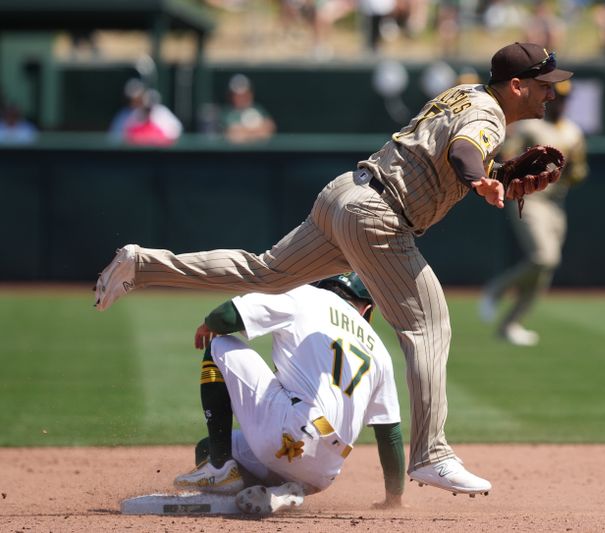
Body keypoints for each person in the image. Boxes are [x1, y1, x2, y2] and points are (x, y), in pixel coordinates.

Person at [94, 42, 572, 495]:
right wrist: (479, 180)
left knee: (263, 272)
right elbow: (464, 148)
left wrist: (490, 172)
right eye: (543, 83)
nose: (551, 91)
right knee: (429, 325)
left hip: (344, 195)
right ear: (515, 85)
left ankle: (141, 265)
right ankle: (430, 452)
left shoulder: (464, 93)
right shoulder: (488, 113)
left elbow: (449, 145)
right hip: (380, 217)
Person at [173, 273, 405, 512]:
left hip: (289, 432)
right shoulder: (380, 352)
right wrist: (393, 499)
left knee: (219, 345)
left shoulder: (305, 295)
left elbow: (226, 316)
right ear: (366, 309)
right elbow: (391, 435)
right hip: (325, 472)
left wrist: (209, 324)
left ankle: (220, 467)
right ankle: (284, 492)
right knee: (207, 447)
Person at [480, 79, 588, 346]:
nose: (560, 103)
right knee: (544, 257)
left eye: (565, 99)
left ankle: (510, 324)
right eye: (557, 98)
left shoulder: (573, 132)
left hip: (556, 203)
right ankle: (497, 289)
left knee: (544, 272)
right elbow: (507, 156)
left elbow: (579, 171)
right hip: (532, 200)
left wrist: (573, 171)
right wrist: (521, 168)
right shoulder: (531, 127)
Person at [222, 74, 276, 144]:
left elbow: (269, 129)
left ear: (250, 94)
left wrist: (243, 132)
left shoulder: (258, 109)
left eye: (244, 94)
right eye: (237, 95)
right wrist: (256, 131)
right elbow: (232, 135)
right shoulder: (227, 112)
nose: (241, 98)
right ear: (232, 96)